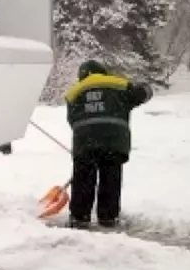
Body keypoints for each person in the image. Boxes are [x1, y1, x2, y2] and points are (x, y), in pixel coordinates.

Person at [64, 59, 153, 228]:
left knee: (83, 178)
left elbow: (72, 119)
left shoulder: (74, 92)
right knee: (110, 177)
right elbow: (142, 94)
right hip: (114, 141)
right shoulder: (119, 84)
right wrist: (145, 87)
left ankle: (79, 217)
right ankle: (108, 217)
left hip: (85, 142)